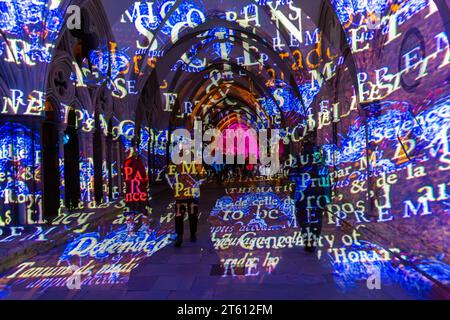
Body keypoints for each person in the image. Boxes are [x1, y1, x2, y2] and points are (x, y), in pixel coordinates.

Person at [295, 145, 331, 253]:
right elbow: (326, 182)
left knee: (305, 219)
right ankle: (311, 241)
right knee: (314, 219)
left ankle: (309, 241)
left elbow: (292, 177)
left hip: (306, 196)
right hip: (315, 195)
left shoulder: (302, 162)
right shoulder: (320, 164)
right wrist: (327, 198)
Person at [166, 161, 206, 247]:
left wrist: (174, 186)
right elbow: (202, 175)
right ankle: (192, 234)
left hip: (180, 194)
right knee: (192, 215)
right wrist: (197, 183)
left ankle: (180, 235)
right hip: (191, 194)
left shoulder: (174, 160)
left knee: (179, 216)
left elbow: (169, 175)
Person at [123, 147, 149, 215]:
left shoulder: (128, 161)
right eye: (136, 152)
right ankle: (137, 209)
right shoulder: (136, 162)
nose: (136, 154)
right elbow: (142, 172)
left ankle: (133, 208)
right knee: (137, 196)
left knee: (133, 196)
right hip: (136, 183)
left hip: (132, 183)